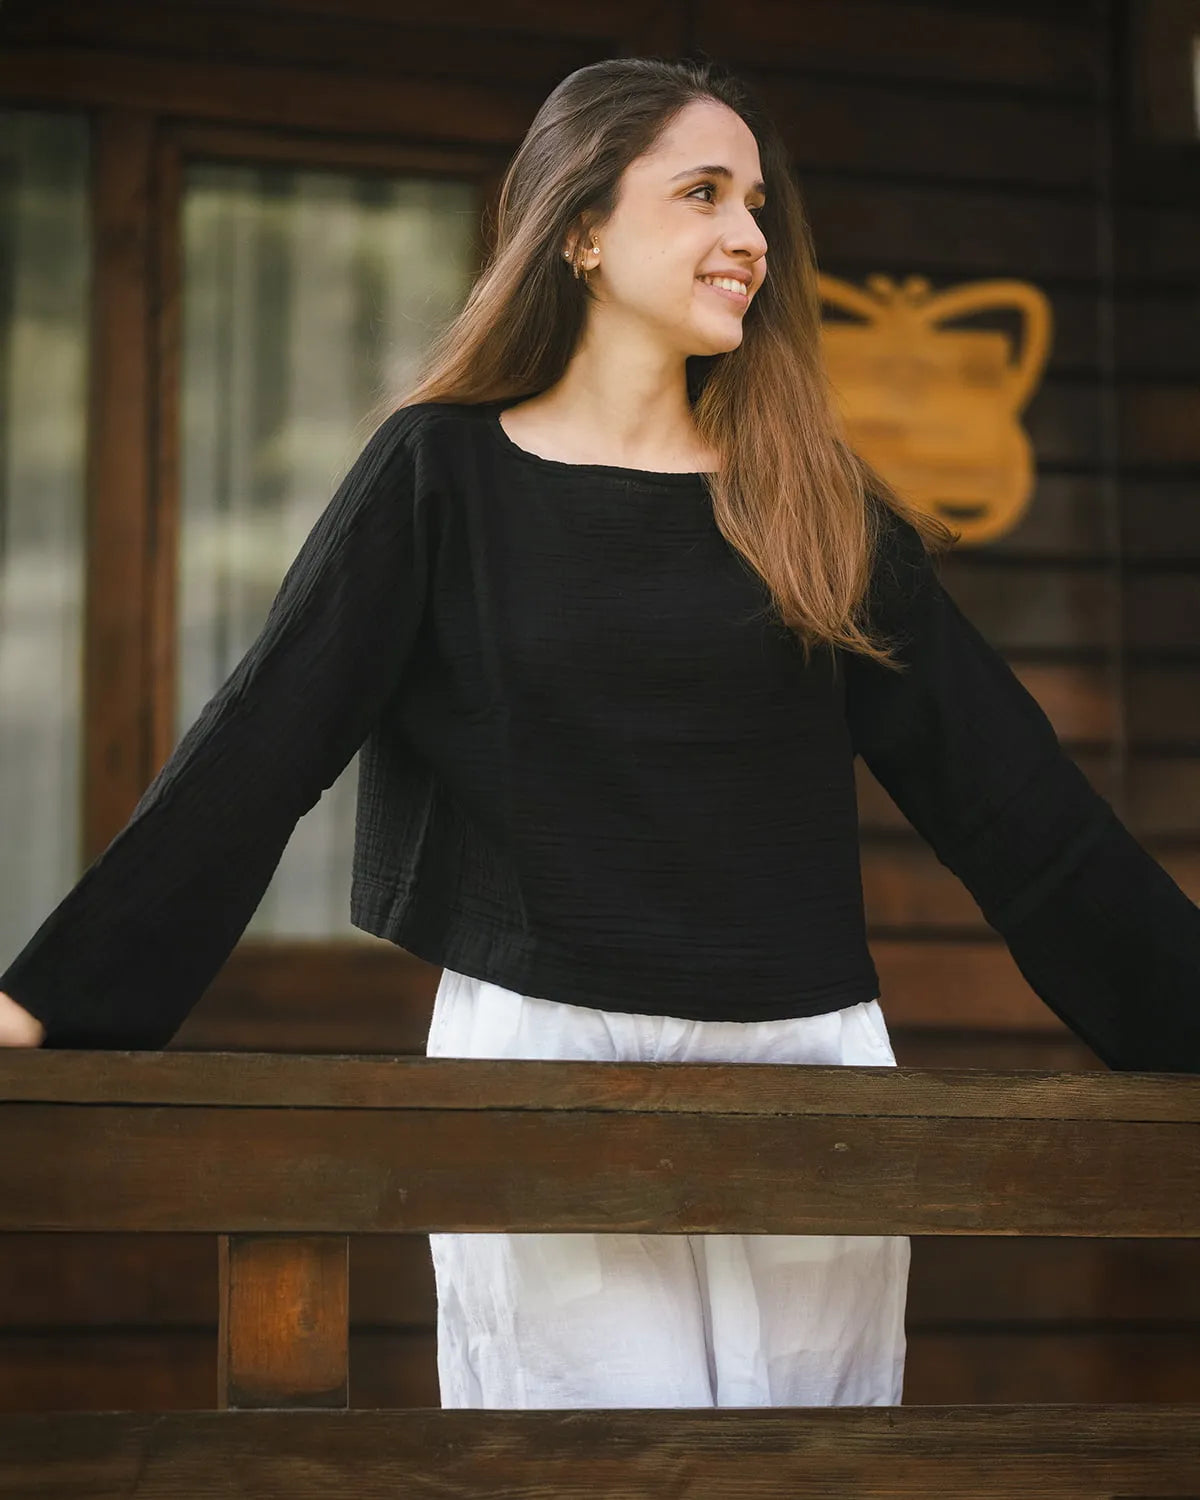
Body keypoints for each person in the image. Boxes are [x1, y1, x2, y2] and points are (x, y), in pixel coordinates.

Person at [2, 57, 1198, 1411]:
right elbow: (256, 750)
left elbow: (1021, 813)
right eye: (702, 194)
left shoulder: (811, 503)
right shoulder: (438, 476)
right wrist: (49, 1005)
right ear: (579, 229)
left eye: (757, 205)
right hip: (545, 1061)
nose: (750, 237)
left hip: (810, 1075)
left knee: (816, 1482)